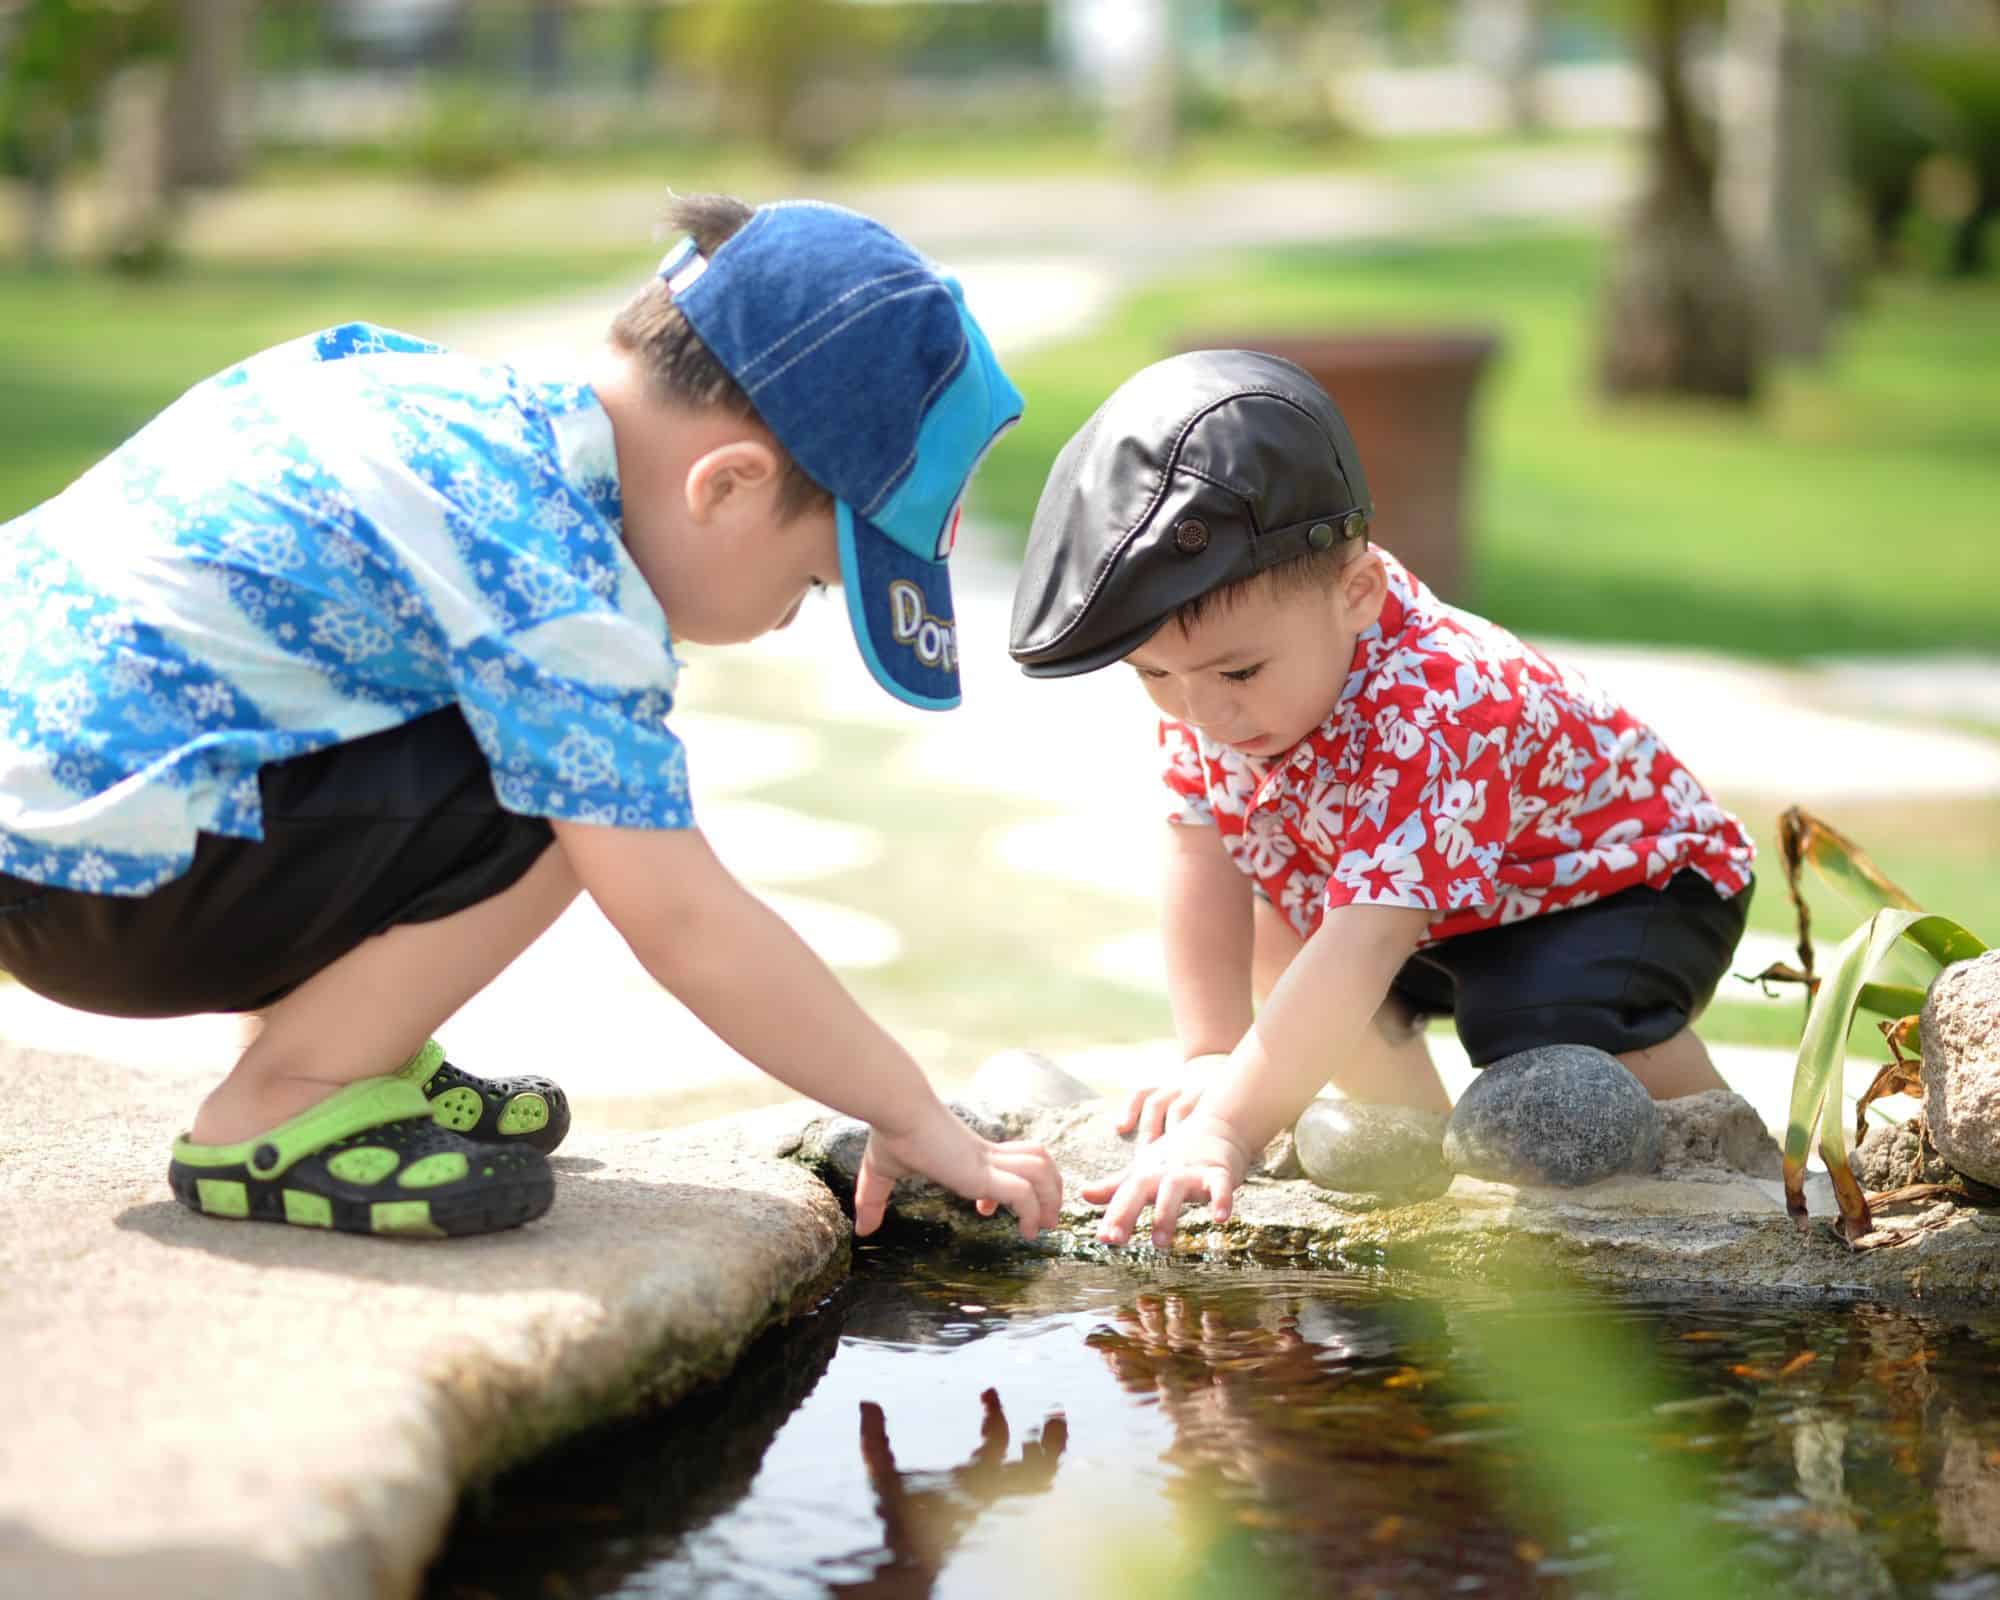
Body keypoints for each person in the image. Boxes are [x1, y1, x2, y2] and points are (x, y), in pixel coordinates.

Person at [0, 194, 1060, 1242]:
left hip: (57, 834)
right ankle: (291, 1096)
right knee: (581, 803)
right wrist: (912, 1113)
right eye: (815, 584)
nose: (788, 620)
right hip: (99, 890)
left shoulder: (432, 399)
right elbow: (682, 922)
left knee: (490, 729)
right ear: (727, 487)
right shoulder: (558, 578)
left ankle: (350, 1038)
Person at [1007, 349, 1754, 1248]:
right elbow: (1199, 852)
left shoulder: (1441, 700)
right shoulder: (1215, 692)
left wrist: (1226, 1128)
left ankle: (1725, 1162)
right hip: (1438, 906)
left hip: (1625, 887)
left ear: (1356, 593)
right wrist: (1213, 1053)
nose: (1204, 710)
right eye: (1154, 675)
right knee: (1281, 919)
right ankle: (1415, 1161)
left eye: (1238, 670)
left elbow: (1368, 939)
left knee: (1533, 1024)